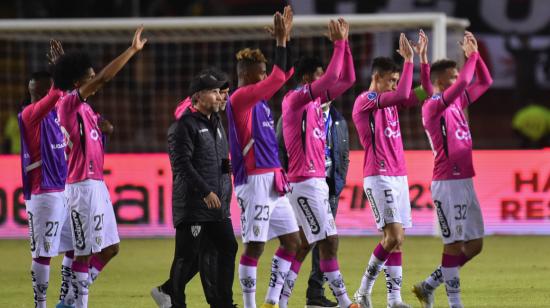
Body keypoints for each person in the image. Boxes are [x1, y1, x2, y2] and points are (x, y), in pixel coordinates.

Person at [53, 26, 147, 308]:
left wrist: (105, 126)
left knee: (111, 248)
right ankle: (76, 304)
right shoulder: (69, 104)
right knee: (83, 253)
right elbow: (105, 77)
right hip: (81, 186)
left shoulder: (85, 109)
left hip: (96, 184)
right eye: (89, 78)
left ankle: (68, 301)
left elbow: (97, 124)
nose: (96, 80)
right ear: (78, 83)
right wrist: (132, 50)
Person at [277, 18, 357, 308]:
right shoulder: (295, 99)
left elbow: (346, 79)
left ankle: (280, 299)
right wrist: (337, 44)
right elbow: (335, 75)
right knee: (329, 240)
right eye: (321, 77)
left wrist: (345, 45)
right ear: (309, 79)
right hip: (304, 181)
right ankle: (346, 302)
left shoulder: (315, 103)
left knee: (304, 242)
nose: (328, 82)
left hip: (315, 182)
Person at [226, 6, 302, 308]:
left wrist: (288, 39)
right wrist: (281, 42)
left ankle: (273, 300)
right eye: (262, 71)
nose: (267, 75)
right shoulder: (241, 98)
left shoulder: (260, 102)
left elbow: (287, 73)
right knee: (255, 245)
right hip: (254, 179)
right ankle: (250, 305)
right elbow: (280, 78)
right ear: (247, 74)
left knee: (293, 242)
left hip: (274, 179)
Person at [412, 31, 493, 308]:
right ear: (440, 81)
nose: (458, 76)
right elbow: (465, 82)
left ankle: (429, 285)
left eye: (458, 72)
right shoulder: (432, 106)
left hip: (465, 180)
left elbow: (485, 81)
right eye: (453, 73)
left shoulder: (457, 101)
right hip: (447, 182)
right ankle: (455, 304)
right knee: (454, 244)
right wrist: (469, 58)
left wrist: (477, 57)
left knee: (474, 246)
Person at [151, 68, 234, 308]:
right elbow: (181, 166)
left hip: (217, 203)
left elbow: (220, 159)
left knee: (227, 246)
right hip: (193, 204)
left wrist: (227, 183)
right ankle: (175, 302)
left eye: (221, 92)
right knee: (188, 257)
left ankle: (223, 302)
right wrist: (205, 191)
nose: (220, 96)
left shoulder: (217, 122)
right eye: (215, 92)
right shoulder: (183, 127)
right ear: (197, 96)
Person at [351, 32, 419, 308]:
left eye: (396, 80)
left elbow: (421, 92)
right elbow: (404, 93)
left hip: (398, 174)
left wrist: (423, 61)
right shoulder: (366, 99)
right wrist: (409, 62)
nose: (394, 85)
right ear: (377, 78)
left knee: (397, 242)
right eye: (391, 80)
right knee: (394, 236)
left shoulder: (390, 101)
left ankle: (394, 299)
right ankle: (362, 292)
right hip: (378, 175)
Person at [18, 44, 76, 308]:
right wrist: (61, 67)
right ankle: (40, 304)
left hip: (64, 190)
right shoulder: (29, 115)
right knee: (43, 255)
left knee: (75, 247)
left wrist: (63, 68)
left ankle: (64, 300)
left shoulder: (56, 110)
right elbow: (58, 93)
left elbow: (70, 95)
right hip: (44, 194)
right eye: (50, 88)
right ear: (40, 92)